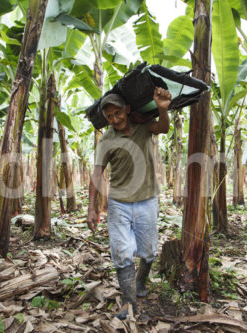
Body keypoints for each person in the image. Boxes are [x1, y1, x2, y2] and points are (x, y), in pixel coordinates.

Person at [87, 87, 171, 319]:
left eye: (117, 113)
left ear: (127, 109)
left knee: (148, 252)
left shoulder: (144, 127)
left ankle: (141, 282)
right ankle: (128, 301)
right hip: (119, 203)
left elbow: (163, 128)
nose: (115, 119)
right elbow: (97, 174)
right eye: (109, 117)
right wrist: (92, 207)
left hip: (147, 200)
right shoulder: (107, 139)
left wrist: (162, 110)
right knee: (122, 251)